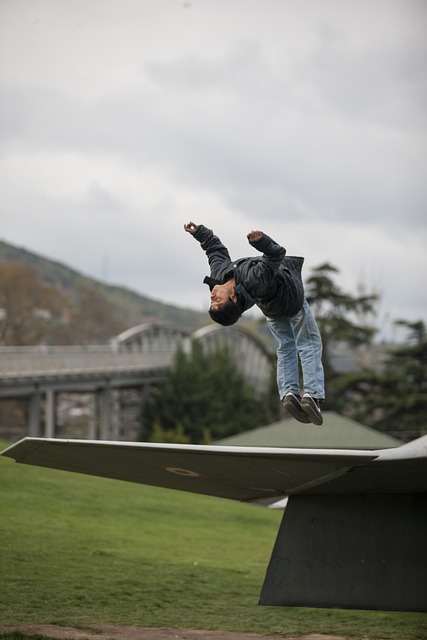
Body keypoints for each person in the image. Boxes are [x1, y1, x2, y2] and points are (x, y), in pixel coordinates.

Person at [184, 221, 325, 425]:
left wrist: (199, 232)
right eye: (217, 300)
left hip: (272, 310)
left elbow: (215, 250)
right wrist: (261, 242)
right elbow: (277, 255)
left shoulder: (219, 274)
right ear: (233, 298)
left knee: (285, 347)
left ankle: (288, 393)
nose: (213, 295)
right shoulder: (253, 279)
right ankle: (313, 394)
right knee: (308, 343)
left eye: (212, 300)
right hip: (291, 299)